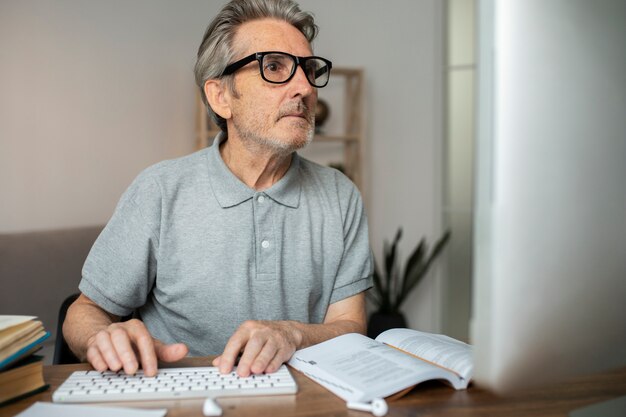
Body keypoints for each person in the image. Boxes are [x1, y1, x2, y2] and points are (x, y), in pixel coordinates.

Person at [63, 0, 373, 378]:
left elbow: (351, 327)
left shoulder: (341, 195)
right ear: (220, 97)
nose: (305, 87)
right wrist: (102, 336)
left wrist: (293, 334)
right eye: (274, 67)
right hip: (181, 399)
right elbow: (85, 312)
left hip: (302, 402)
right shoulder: (160, 191)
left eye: (308, 70)